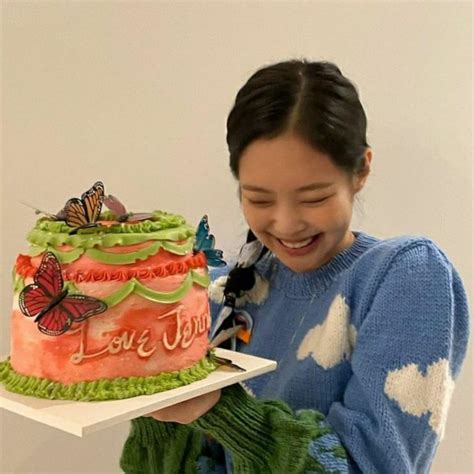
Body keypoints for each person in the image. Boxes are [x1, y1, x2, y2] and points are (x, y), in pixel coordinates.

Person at [119, 59, 470, 473]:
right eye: (260, 199)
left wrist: (222, 409)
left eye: (314, 197)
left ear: (361, 171)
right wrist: (152, 400)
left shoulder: (405, 277)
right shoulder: (227, 293)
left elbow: (373, 466)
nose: (286, 224)